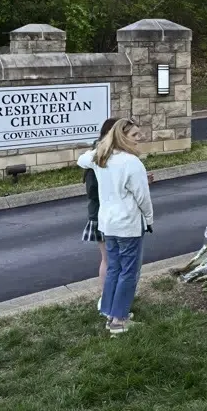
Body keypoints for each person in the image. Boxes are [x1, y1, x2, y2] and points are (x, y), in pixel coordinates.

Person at [77, 118, 154, 334]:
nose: (140, 138)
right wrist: (149, 219)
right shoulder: (132, 163)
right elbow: (143, 197)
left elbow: (81, 160)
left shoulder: (101, 158)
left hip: (107, 224)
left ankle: (110, 312)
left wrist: (100, 149)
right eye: (135, 135)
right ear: (122, 137)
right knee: (128, 272)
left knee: (114, 268)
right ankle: (119, 321)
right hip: (128, 225)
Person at [82, 117, 118, 312]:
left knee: (113, 260)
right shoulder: (97, 158)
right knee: (109, 260)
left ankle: (113, 298)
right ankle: (106, 298)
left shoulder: (111, 157)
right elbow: (93, 190)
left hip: (110, 215)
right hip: (102, 217)